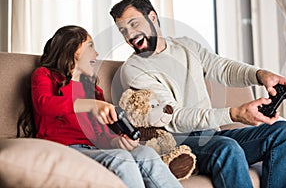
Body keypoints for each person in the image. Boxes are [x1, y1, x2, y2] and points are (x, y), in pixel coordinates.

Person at [110, 0, 286, 188]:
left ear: (152, 17)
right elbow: (174, 117)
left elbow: (222, 68)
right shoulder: (133, 69)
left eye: (134, 24)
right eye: (123, 30)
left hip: (211, 135)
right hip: (178, 141)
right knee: (228, 148)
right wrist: (233, 114)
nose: (129, 35)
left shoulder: (186, 45)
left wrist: (261, 75)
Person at [17, 25, 183, 188]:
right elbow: (44, 104)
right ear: (73, 49)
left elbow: (100, 135)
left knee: (145, 153)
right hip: (64, 148)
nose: (96, 53)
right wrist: (90, 105)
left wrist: (117, 142)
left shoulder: (93, 90)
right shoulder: (45, 75)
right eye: (90, 46)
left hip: (94, 148)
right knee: (120, 159)